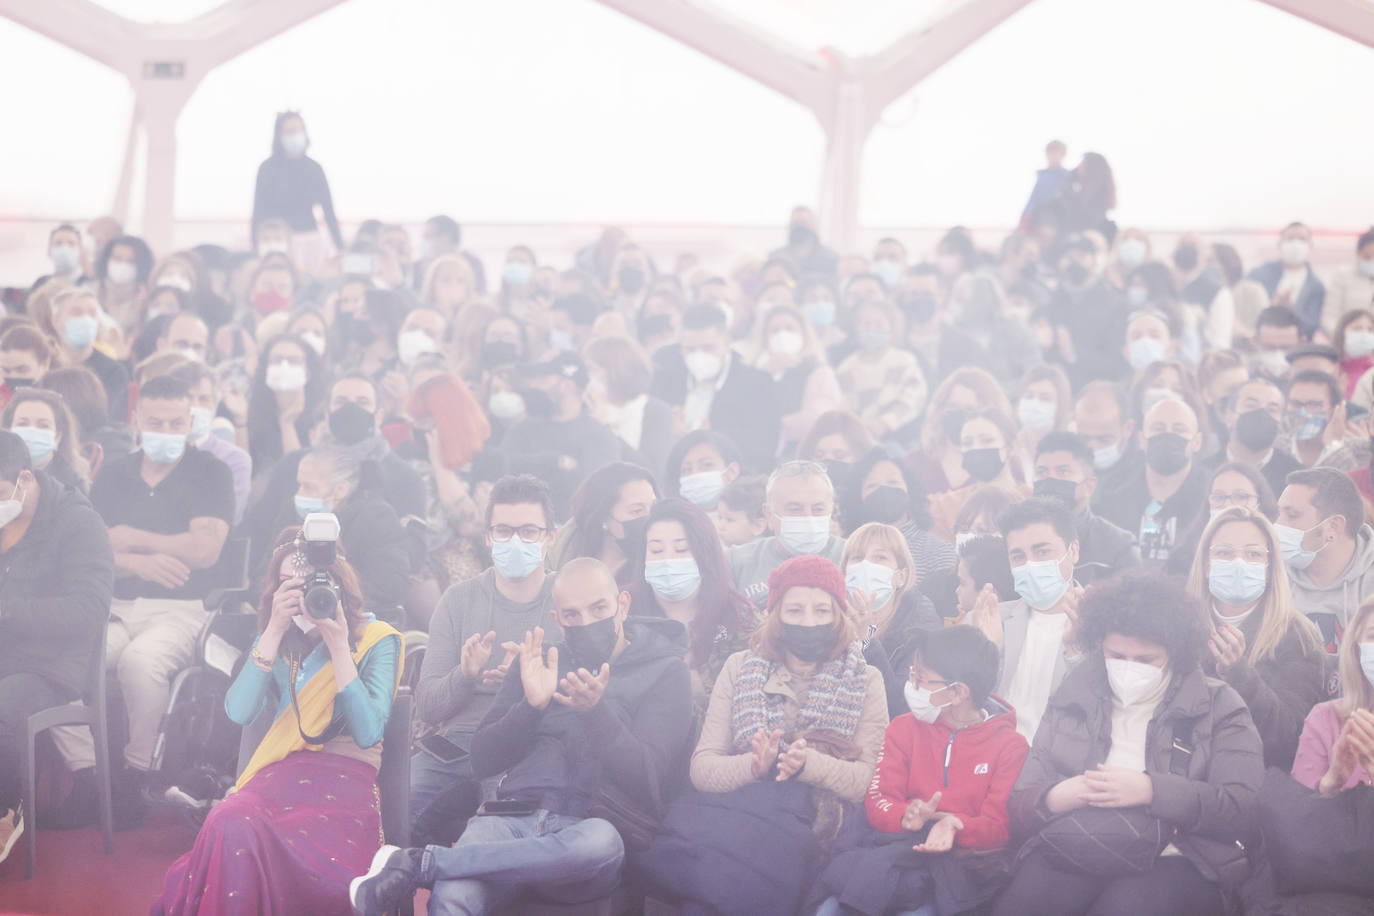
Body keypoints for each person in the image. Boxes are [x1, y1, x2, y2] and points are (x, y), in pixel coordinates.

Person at [350, 557, 693, 916]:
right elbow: (483, 759)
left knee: (599, 844)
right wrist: (531, 707)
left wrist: (596, 713)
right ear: (557, 619)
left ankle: (420, 865)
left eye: (599, 608)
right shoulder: (538, 661)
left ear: (622, 605)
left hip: (588, 829)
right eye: (572, 615)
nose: (587, 622)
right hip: (511, 817)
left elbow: (647, 779)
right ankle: (442, 866)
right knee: (454, 897)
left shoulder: (666, 672)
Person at [153, 526, 402, 915]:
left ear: (338, 583)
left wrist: (339, 646)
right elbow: (239, 712)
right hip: (280, 775)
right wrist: (272, 630)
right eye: (289, 584)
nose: (301, 595)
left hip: (344, 780)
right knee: (229, 819)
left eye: (311, 584)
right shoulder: (277, 639)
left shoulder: (376, 637)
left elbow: (369, 732)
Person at [993, 572, 1263, 916]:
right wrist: (1055, 797)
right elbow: (1019, 804)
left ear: (1176, 653)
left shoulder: (1219, 703)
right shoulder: (1076, 693)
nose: (1127, 669)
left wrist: (1152, 790)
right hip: (1078, 840)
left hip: (1179, 855)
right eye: (1116, 655)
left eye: (1145, 660)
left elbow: (1242, 809)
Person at [813, 626, 1030, 916]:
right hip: (895, 852)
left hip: (958, 870)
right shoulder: (903, 728)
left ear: (958, 693)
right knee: (828, 910)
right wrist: (906, 816)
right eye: (912, 673)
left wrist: (954, 825)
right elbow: (878, 799)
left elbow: (999, 826)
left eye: (920, 677)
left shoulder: (1010, 747)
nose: (910, 683)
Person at [88, 375, 233, 804]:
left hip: (182, 609)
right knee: (79, 656)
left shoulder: (211, 472)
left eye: (175, 423)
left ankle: (139, 771)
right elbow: (94, 547)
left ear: (190, 421)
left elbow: (205, 549)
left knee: (140, 661)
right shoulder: (113, 474)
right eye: (155, 422)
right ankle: (86, 772)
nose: (166, 432)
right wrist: (136, 562)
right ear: (136, 419)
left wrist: (132, 536)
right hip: (116, 603)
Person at [411, 475, 557, 842]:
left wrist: (523, 685)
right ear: (488, 537)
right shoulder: (459, 600)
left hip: (531, 744)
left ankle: (445, 877)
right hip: (458, 742)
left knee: (497, 831)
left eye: (528, 531)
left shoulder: (567, 599)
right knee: (395, 810)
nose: (515, 541)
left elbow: (589, 688)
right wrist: (465, 674)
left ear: (549, 537)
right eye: (504, 531)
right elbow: (427, 706)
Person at [0, 430, 114, 863]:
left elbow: (89, 610)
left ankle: (7, 810)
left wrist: (8, 610)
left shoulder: (77, 522)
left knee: (3, 712)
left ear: (24, 479)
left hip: (49, 667)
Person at [1184, 506, 1326, 770]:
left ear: (1269, 566)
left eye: (1253, 554)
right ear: (1205, 565)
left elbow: (1289, 737)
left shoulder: (1298, 636)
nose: (1239, 563)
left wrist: (1239, 674)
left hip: (1254, 778)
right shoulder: (1178, 623)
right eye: (1224, 553)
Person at [626, 497, 750, 710]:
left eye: (682, 550)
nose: (668, 560)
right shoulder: (622, 609)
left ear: (705, 554)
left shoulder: (739, 616)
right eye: (656, 551)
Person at [649, 304, 780, 473]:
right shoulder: (664, 379)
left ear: (727, 343)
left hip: (732, 480)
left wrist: (711, 439)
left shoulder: (757, 384)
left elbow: (764, 446)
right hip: (674, 475)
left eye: (708, 348)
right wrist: (667, 426)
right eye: (690, 349)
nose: (699, 356)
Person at [996, 498, 1084, 742]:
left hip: (1059, 764)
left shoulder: (1103, 624)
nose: (1030, 564)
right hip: (993, 758)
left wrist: (1077, 652)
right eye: (1018, 557)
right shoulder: (992, 619)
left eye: (1042, 551)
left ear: (1073, 550)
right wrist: (986, 648)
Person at [291, 444, 413, 616]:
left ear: (341, 489)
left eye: (309, 487)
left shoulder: (377, 518)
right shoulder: (297, 518)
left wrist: (331, 594)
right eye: (299, 485)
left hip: (354, 619)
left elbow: (390, 585)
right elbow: (269, 569)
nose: (299, 494)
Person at [500, 351, 622, 521]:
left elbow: (592, 492)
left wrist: (531, 470)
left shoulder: (599, 436)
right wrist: (555, 462)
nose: (536, 386)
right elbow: (503, 469)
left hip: (574, 537)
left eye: (543, 380)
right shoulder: (523, 429)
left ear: (566, 386)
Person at [841, 522, 942, 716]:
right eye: (857, 557)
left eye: (880, 557)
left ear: (900, 577)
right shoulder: (829, 613)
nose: (866, 566)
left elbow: (902, 707)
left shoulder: (920, 624)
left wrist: (866, 642)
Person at [1094, 395, 1207, 567]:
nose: (1168, 435)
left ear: (1197, 442)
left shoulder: (1211, 494)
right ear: (1141, 440)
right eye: (1158, 428)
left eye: (1179, 429)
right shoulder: (1114, 491)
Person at [728, 460, 846, 613]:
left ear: (831, 510)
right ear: (769, 514)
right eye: (795, 509)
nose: (808, 518)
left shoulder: (853, 555)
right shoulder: (736, 562)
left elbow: (872, 629)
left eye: (818, 509)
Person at [1277, 467, 1374, 647]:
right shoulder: (1272, 574)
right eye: (1279, 513)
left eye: (1292, 515)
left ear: (1334, 526)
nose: (1278, 524)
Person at [1031, 431, 1140, 583]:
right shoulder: (1016, 539)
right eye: (1041, 472)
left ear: (1089, 486)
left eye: (1063, 472)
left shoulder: (1119, 547)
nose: (1050, 479)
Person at [1291, 597, 1374, 794]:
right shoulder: (1324, 719)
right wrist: (1331, 782)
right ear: (1356, 647)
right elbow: (1296, 814)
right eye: (1373, 635)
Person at [843, 447, 954, 589]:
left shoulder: (937, 550)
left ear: (910, 490)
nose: (884, 490)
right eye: (872, 485)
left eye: (893, 482)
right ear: (858, 498)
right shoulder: (846, 550)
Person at [251, 112, 344, 267]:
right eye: (290, 131)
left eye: (299, 130)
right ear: (279, 135)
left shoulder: (314, 168)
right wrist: (255, 246)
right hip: (278, 242)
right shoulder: (267, 169)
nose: (295, 135)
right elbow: (258, 211)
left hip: (309, 239)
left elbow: (328, 211)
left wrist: (340, 247)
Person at [749, 304, 845, 454]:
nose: (782, 335)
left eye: (790, 328)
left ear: (804, 334)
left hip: (803, 454)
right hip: (758, 452)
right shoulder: (754, 374)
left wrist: (773, 427)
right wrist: (761, 376)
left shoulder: (818, 371)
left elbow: (818, 418)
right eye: (775, 330)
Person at [582, 334, 675, 479]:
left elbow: (652, 472)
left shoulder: (657, 412)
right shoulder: (584, 409)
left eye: (591, 369)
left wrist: (604, 427)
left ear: (617, 371)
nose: (586, 376)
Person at [909, 367, 1013, 497]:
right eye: (953, 407)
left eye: (970, 409)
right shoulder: (912, 465)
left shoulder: (1007, 471)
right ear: (939, 410)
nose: (960, 415)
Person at [835, 299, 928, 441]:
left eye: (879, 324)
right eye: (867, 324)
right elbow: (844, 407)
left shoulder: (905, 361)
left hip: (899, 438)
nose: (872, 329)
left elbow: (914, 398)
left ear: (891, 328)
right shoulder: (846, 369)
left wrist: (884, 423)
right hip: (857, 440)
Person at [546, 462, 657, 580]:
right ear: (603, 516)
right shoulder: (564, 557)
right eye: (637, 511)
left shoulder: (656, 571)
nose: (650, 518)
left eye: (655, 508)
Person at [929, 407, 1023, 542]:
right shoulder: (945, 506)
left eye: (987, 440)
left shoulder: (1034, 498)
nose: (976, 448)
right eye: (967, 443)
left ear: (1010, 447)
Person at [245, 334, 325, 475]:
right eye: (276, 360)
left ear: (308, 372)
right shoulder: (248, 411)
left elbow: (298, 476)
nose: (284, 366)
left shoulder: (321, 416)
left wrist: (287, 424)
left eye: (294, 361)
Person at [1210, 376, 1300, 498]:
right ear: (1229, 416)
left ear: (1281, 422)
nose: (1261, 414)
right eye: (1251, 405)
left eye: (1272, 409)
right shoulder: (1205, 473)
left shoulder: (1295, 479)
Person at [52, 287, 130, 422]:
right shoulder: (45, 364)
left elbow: (113, 420)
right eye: (76, 313)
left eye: (92, 313)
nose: (85, 319)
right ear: (56, 321)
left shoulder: (113, 371)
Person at [2, 387, 91, 493]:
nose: (32, 432)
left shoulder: (73, 485)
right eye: (22, 424)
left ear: (58, 436)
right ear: (8, 430)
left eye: (43, 426)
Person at [1248, 222, 1326, 337]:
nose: (1296, 243)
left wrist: (1289, 311)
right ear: (1279, 244)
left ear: (1310, 245)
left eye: (1302, 239)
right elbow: (1246, 309)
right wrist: (1272, 307)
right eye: (1290, 238)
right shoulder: (1258, 274)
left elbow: (1312, 324)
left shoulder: (1317, 287)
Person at [661, 429, 742, 512]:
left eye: (707, 465)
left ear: (732, 471)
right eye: (687, 470)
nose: (696, 474)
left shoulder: (752, 518)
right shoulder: (671, 521)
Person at [1322, 228, 1374, 337]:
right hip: (1345, 341)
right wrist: (1344, 337)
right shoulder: (1343, 276)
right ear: (1358, 253)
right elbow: (1328, 317)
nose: (1372, 261)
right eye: (1367, 256)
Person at [1021, 139, 1071, 227]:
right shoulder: (1043, 175)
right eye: (1050, 153)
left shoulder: (1066, 176)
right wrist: (1026, 214)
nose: (1053, 157)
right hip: (1038, 215)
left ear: (1063, 155)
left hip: (1057, 217)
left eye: (1056, 153)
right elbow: (1034, 197)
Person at [714, 474, 767, 548]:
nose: (720, 526)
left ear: (757, 526)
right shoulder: (721, 548)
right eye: (720, 517)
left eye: (730, 520)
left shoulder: (760, 556)